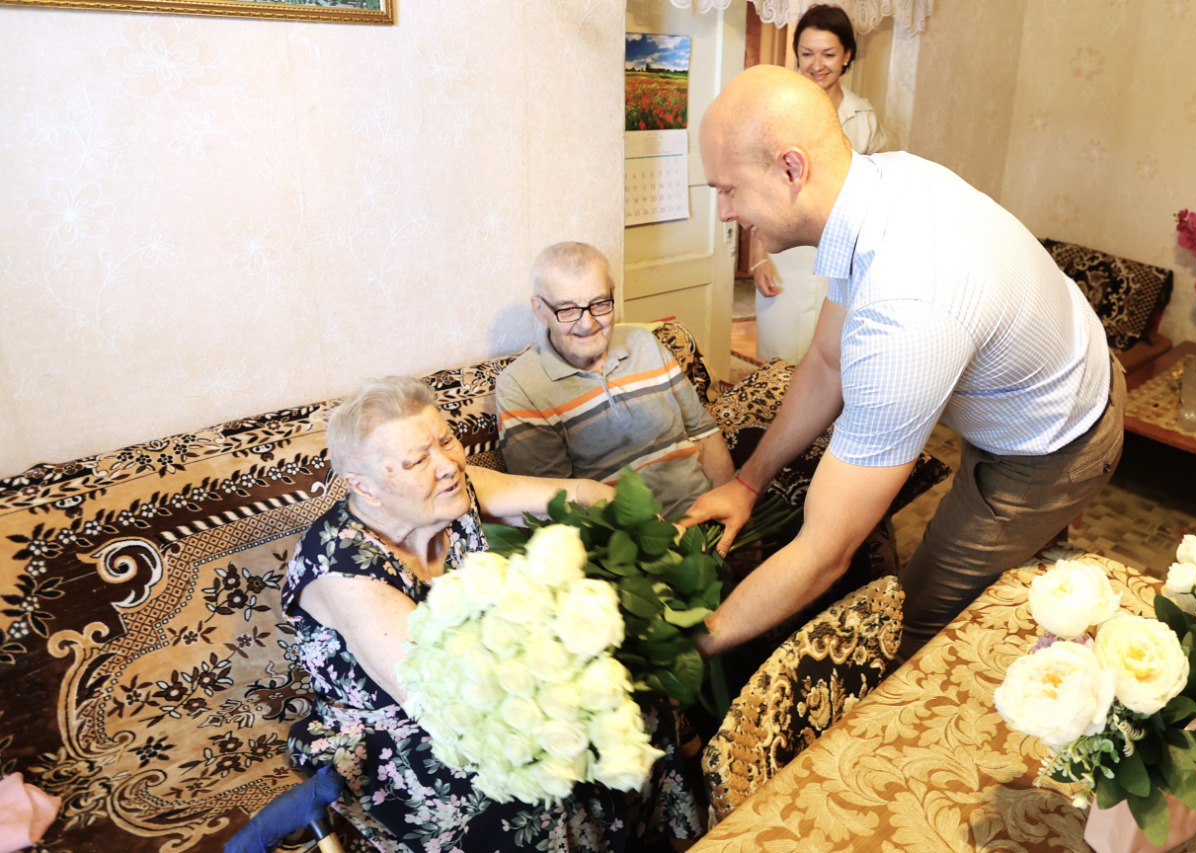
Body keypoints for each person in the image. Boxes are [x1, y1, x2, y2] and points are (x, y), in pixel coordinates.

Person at [687, 65, 1125, 664]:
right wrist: (746, 482)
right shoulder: (878, 186)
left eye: (727, 189)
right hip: (1051, 371)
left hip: (1054, 444)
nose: (723, 212)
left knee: (918, 633)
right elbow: (826, 360)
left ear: (791, 168)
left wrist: (687, 647)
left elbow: (826, 552)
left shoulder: (905, 307)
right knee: (1027, 595)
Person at [282, 376, 703, 851]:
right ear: (365, 487)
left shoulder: (453, 492)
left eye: (445, 440)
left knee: (634, 702)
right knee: (537, 795)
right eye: (418, 460)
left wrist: (650, 533)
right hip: (398, 727)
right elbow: (436, 702)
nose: (447, 465)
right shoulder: (343, 570)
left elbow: (582, 494)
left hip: (489, 684)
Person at [496, 242, 735, 518]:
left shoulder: (645, 343)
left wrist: (727, 509)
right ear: (540, 310)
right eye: (568, 310)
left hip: (705, 518)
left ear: (613, 296)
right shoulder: (521, 387)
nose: (587, 324)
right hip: (631, 547)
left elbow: (704, 433)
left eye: (599, 304)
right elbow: (555, 505)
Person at [749, 3, 887, 364]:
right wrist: (757, 259)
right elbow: (755, 189)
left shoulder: (863, 117)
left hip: (844, 259)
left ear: (847, 56)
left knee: (832, 367)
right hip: (785, 257)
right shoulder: (774, 110)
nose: (817, 64)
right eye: (807, 53)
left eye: (828, 54)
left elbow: (880, 192)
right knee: (777, 367)